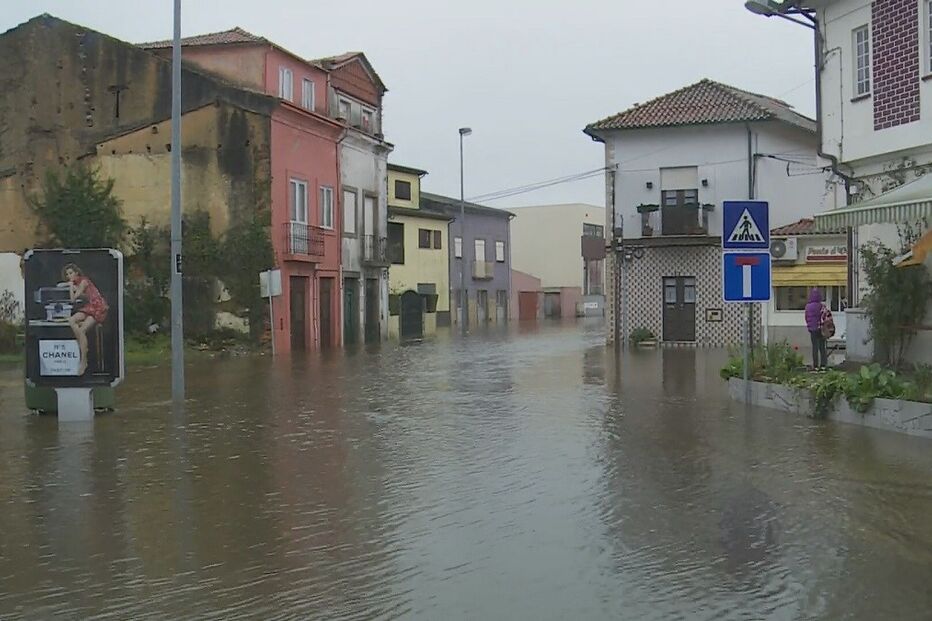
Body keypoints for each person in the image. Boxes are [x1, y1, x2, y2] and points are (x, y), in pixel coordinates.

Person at [62, 263, 108, 375]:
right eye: (67, 274)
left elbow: (73, 299)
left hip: (98, 307)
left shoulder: (83, 281)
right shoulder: (77, 283)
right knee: (71, 320)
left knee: (82, 330)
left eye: (70, 273)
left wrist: (70, 287)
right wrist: (69, 285)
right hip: (89, 307)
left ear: (76, 273)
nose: (69, 276)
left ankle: (84, 360)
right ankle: (81, 344)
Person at [804, 287, 827, 370]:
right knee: (822, 347)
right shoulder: (821, 306)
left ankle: (816, 365)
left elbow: (806, 317)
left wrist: (809, 325)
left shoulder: (808, 307)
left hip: (812, 329)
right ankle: (823, 365)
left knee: (815, 347)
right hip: (820, 328)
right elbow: (825, 316)